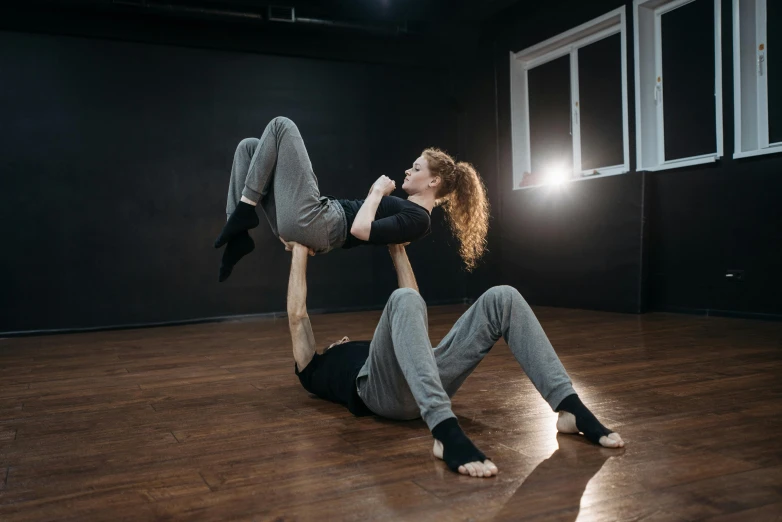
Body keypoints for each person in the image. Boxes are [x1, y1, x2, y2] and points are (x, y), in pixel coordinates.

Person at [283, 239, 625, 478]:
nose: (341, 339)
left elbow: (412, 306)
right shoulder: (311, 368)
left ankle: (569, 407)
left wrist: (396, 246)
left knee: (502, 297)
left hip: (427, 377)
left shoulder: (370, 344)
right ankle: (445, 432)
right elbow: (298, 316)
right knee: (403, 299)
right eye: (335, 341)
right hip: (381, 395)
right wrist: (299, 250)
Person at [213, 116, 489, 281]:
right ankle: (237, 230)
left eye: (416, 168)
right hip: (313, 221)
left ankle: (242, 215)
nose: (408, 170)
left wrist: (376, 191)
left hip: (320, 221)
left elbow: (359, 230)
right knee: (250, 147)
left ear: (433, 181)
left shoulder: (419, 219)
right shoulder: (411, 215)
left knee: (280, 125)